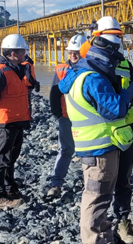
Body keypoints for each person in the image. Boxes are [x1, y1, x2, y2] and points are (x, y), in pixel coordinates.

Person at [59, 32, 133, 244]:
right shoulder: (94, 79)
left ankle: (103, 236)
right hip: (101, 149)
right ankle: (95, 239)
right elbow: (117, 109)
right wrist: (124, 91)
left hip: (89, 146)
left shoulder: (78, 74)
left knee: (97, 198)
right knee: (96, 199)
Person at [84, 16, 133, 243]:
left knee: (123, 180)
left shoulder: (125, 65)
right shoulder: (92, 65)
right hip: (105, 134)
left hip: (127, 131)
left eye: (118, 38)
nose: (116, 43)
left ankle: (122, 221)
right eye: (114, 38)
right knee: (102, 185)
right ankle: (100, 227)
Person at [0, 34, 31, 209]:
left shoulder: (16, 69)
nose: (25, 54)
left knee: (11, 158)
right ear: (12, 53)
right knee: (2, 158)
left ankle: (11, 189)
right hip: (5, 121)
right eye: (22, 51)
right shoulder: (0, 71)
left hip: (17, 120)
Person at [46, 34, 86, 198]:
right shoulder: (61, 69)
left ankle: (89, 183)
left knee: (87, 151)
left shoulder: (90, 68)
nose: (73, 55)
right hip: (67, 117)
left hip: (85, 119)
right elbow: (54, 94)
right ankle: (56, 183)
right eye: (71, 52)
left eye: (76, 52)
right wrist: (58, 114)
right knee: (65, 150)